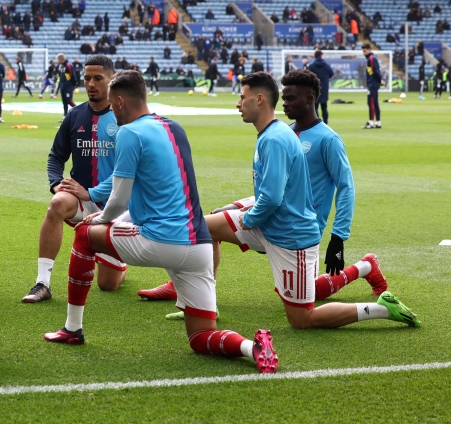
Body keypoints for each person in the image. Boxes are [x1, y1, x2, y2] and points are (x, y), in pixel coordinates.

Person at [139, 73, 418, 331]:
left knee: (305, 311)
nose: (285, 103)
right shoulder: (280, 131)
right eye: (283, 98)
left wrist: (338, 236)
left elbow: (344, 187)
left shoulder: (324, 139)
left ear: (310, 99)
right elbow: (272, 192)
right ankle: (199, 301)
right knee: (203, 226)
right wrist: (244, 210)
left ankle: (373, 286)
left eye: (291, 98)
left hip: (295, 230)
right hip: (271, 214)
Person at [43, 71, 279, 374]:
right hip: (199, 246)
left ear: (119, 101)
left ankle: (72, 329)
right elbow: (132, 186)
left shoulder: (129, 133)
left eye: (113, 106)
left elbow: (118, 199)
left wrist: (97, 219)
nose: (111, 112)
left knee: (84, 235)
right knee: (200, 336)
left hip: (161, 241)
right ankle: (253, 346)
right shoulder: (173, 127)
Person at [22, 55, 124, 303]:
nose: (91, 84)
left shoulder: (125, 120)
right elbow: (56, 156)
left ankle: (118, 265)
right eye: (87, 78)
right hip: (80, 198)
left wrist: (94, 192)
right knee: (57, 203)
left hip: (116, 205)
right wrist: (56, 183)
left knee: (108, 285)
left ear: (112, 80)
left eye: (98, 78)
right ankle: (42, 283)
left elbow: (128, 171)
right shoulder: (74, 115)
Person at [307, 50, 334, 123]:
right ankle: (325, 123)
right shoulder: (327, 66)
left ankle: (316, 123)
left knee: (315, 107)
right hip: (324, 88)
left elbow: (307, 76)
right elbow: (331, 74)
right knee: (324, 107)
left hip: (314, 89)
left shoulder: (311, 66)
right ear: (321, 55)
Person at [362, 44, 382, 129]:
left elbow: (376, 71)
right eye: (363, 51)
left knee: (370, 102)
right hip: (374, 83)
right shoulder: (371, 58)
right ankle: (378, 122)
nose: (363, 53)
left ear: (369, 50)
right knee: (375, 103)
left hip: (372, 84)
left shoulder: (371, 59)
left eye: (365, 51)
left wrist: (380, 80)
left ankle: (371, 122)